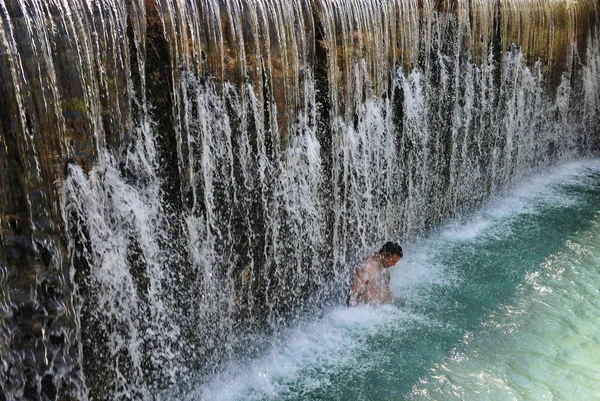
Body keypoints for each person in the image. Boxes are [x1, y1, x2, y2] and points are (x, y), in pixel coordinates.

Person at [347, 242, 403, 306]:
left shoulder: (383, 263)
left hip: (381, 309)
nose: (394, 265)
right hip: (368, 310)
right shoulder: (367, 267)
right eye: (393, 261)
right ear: (384, 255)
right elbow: (352, 297)